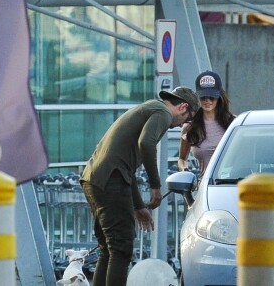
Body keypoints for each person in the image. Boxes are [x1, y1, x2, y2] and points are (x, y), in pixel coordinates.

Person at [80, 87, 199, 286]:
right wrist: (155, 186)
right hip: (111, 181)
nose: (180, 127)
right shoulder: (162, 112)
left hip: (94, 180)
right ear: (183, 107)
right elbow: (146, 143)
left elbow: (127, 168)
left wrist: (138, 206)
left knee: (108, 249)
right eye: (186, 120)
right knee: (121, 249)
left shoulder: (147, 109)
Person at [178, 70, 235, 182]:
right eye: (203, 97)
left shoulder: (234, 123)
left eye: (212, 97)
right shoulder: (189, 127)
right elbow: (181, 158)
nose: (207, 101)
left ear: (220, 97)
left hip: (232, 185)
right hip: (204, 187)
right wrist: (184, 170)